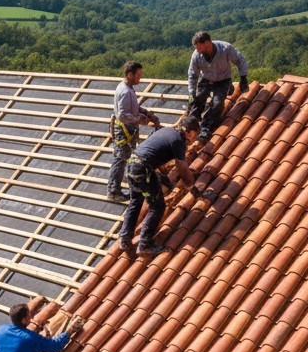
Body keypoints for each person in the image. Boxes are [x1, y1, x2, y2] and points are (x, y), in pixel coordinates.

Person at [116, 118, 197, 256]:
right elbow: (181, 166)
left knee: (136, 201)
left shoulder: (167, 131)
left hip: (132, 165)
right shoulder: (178, 140)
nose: (193, 140)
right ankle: (145, 244)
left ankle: (124, 238)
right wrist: (191, 185)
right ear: (187, 131)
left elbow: (155, 153)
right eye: (193, 135)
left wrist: (164, 179)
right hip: (143, 169)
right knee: (157, 206)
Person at [107, 60, 160, 203]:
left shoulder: (128, 88)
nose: (140, 79)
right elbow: (123, 115)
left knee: (127, 158)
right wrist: (140, 119)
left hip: (128, 130)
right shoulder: (124, 91)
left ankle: (125, 185)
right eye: (138, 75)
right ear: (130, 75)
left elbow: (133, 107)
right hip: (123, 130)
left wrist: (147, 113)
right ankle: (113, 191)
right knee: (120, 160)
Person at [187, 31, 249, 141]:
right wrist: (192, 92)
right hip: (206, 78)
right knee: (198, 99)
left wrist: (243, 78)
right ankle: (192, 123)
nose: (198, 51)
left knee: (217, 104)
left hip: (223, 79)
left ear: (207, 43)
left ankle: (206, 127)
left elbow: (240, 60)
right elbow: (192, 74)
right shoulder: (197, 55)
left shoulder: (225, 49)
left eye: (200, 48)